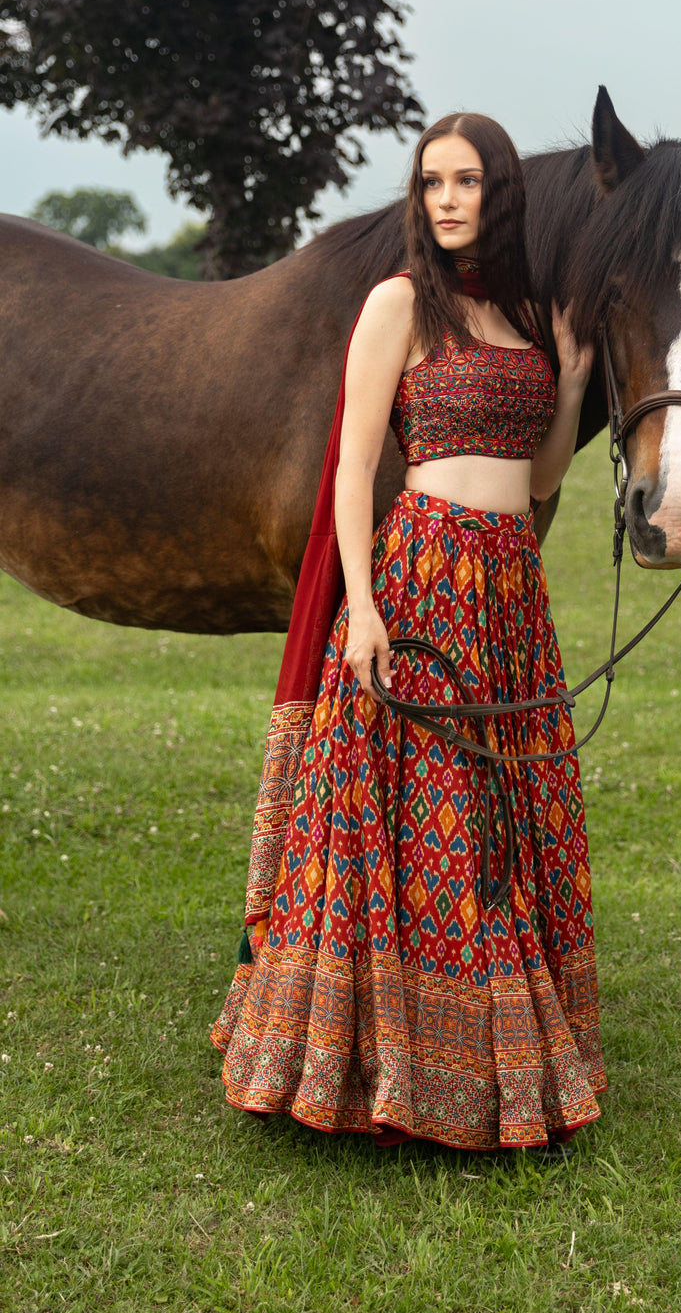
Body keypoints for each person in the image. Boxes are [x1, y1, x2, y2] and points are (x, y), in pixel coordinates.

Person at [210, 113, 606, 1151]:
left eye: (466, 181)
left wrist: (566, 377)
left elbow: (545, 479)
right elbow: (350, 468)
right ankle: (379, 1058)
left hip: (510, 588)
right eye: (430, 181)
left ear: (500, 192)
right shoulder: (398, 303)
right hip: (421, 571)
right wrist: (364, 607)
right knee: (418, 815)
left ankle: (481, 1050)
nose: (444, 199)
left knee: (496, 822)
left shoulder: (528, 314)